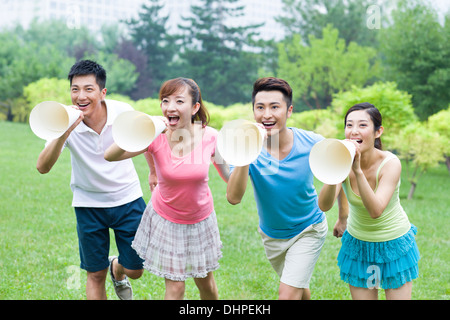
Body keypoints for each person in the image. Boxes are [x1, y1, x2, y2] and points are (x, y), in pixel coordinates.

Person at [104, 77, 229, 300]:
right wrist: (143, 130)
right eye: (165, 100)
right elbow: (111, 155)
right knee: (176, 288)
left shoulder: (210, 136)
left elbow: (229, 177)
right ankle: (116, 267)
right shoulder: (155, 137)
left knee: (207, 286)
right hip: (167, 219)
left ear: (194, 108)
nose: (170, 107)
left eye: (179, 101)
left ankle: (116, 266)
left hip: (200, 220)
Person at [226, 77, 345, 300]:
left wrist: (343, 215)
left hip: (308, 228)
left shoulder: (311, 142)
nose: (266, 114)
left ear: (289, 111)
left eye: (274, 107)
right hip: (271, 234)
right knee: (298, 289)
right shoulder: (244, 146)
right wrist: (247, 152)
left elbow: (340, 166)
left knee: (287, 293)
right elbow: (233, 197)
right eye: (260, 107)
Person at [36, 60, 146, 300]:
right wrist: (65, 130)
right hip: (88, 204)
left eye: (88, 89)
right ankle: (107, 268)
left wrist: (154, 172)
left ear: (102, 92)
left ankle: (117, 268)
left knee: (136, 269)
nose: (80, 96)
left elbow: (145, 139)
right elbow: (43, 166)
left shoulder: (123, 112)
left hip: (128, 199)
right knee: (95, 274)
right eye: (75, 89)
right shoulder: (63, 118)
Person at [318, 102, 420, 300]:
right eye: (349, 125)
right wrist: (334, 169)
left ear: (378, 132)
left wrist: (356, 170)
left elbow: (375, 210)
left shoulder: (391, 163)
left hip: (394, 244)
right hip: (359, 245)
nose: (354, 131)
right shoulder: (343, 162)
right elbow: (324, 205)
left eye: (362, 125)